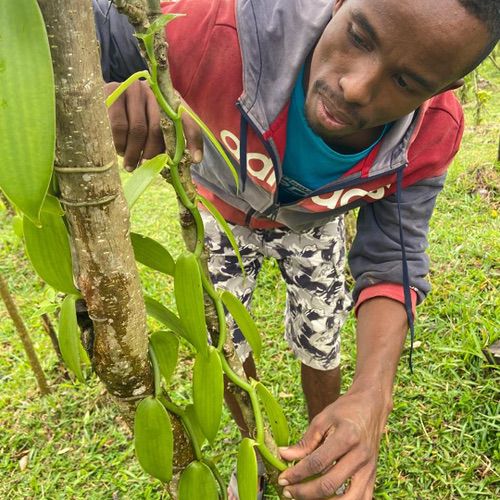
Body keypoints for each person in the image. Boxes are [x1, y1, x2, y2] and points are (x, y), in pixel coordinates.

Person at [93, 0, 498, 498]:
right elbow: (60, 42)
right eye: (360, 37)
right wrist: (98, 98)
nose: (355, 87)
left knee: (321, 336)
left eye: (407, 83)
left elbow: (394, 257)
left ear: (444, 88)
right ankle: (258, 448)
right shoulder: (212, 29)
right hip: (222, 213)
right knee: (224, 342)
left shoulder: (430, 135)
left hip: (313, 226)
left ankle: (316, 449)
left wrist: (372, 397)